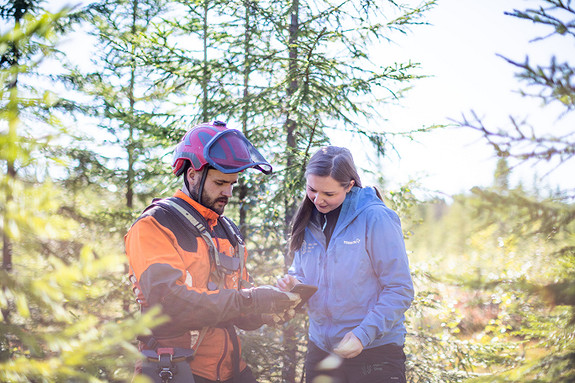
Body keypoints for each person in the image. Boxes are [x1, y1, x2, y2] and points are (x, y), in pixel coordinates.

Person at [125, 121, 301, 383]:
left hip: (232, 370)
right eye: (220, 182)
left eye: (232, 184)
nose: (228, 192)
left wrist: (267, 310)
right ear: (192, 175)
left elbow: (236, 304)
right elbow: (170, 303)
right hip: (177, 370)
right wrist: (252, 299)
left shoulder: (227, 230)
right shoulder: (155, 225)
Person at [277, 146, 414, 383]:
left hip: (374, 351)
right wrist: (293, 283)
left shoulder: (375, 218)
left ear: (349, 185)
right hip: (321, 349)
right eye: (311, 190)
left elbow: (400, 289)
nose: (318, 199)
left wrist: (363, 335)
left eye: (328, 194)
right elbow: (301, 272)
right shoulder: (308, 221)